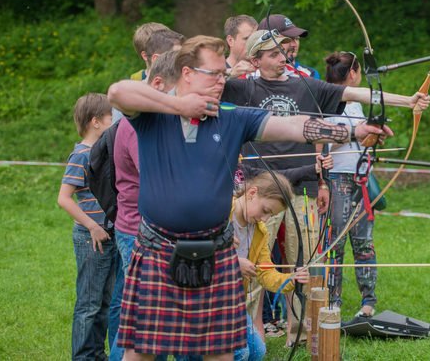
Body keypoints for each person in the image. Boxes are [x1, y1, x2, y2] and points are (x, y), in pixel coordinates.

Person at [108, 35, 389, 360]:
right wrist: (179, 106)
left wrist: (353, 131)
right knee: (140, 353)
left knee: (222, 354)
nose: (220, 81)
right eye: (213, 73)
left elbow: (294, 125)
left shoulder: (231, 116)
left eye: (222, 75)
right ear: (187, 73)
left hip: (215, 250)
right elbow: (117, 93)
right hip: (159, 250)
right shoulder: (153, 114)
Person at [221, 30, 430, 345]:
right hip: (258, 190)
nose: (283, 58)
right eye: (274, 54)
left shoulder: (304, 84)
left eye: (283, 53)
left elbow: (354, 94)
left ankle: (300, 334)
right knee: (251, 268)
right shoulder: (243, 88)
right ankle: (251, 338)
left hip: (301, 188)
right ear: (256, 59)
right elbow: (196, 88)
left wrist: (408, 101)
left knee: (304, 263)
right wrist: (228, 71)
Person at [109, 51, 182, 361]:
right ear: (159, 84)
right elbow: (160, 175)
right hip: (139, 228)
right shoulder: (142, 124)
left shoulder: (162, 120)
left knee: (150, 318)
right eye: (181, 89)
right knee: (141, 320)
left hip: (155, 228)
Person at [57, 93, 118, 361]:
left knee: (104, 302)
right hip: (91, 238)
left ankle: (96, 353)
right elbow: (63, 198)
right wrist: (92, 226)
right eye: (110, 118)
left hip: (109, 236)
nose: (114, 122)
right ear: (96, 122)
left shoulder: (102, 151)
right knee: (89, 304)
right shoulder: (81, 154)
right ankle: (83, 357)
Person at [323, 51, 379, 322]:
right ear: (353, 73)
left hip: (361, 178)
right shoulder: (327, 101)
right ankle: (333, 301)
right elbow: (321, 145)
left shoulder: (357, 103)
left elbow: (364, 139)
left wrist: (369, 139)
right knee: (336, 243)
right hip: (337, 179)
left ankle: (368, 302)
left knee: (364, 243)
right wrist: (352, 135)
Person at [232, 172, 310, 360]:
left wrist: (291, 280)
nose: (265, 219)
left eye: (272, 215)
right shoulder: (221, 213)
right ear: (252, 193)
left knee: (257, 351)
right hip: (205, 302)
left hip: (232, 302)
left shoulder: (260, 231)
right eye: (265, 210)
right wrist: (233, 264)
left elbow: (266, 273)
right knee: (240, 353)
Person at [257, 14, 320, 78]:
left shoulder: (310, 74)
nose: (294, 44)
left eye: (297, 39)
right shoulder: (250, 75)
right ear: (267, 42)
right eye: (287, 39)